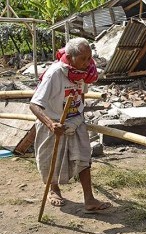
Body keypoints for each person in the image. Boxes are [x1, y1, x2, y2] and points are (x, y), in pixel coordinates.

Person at [30, 37, 111, 212]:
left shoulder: (84, 71)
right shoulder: (55, 74)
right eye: (83, 58)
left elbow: (80, 94)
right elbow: (34, 104)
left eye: (89, 57)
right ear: (71, 56)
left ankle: (89, 199)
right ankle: (54, 189)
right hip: (52, 120)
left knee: (84, 159)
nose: (88, 62)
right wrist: (51, 124)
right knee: (51, 160)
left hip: (75, 120)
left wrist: (79, 112)